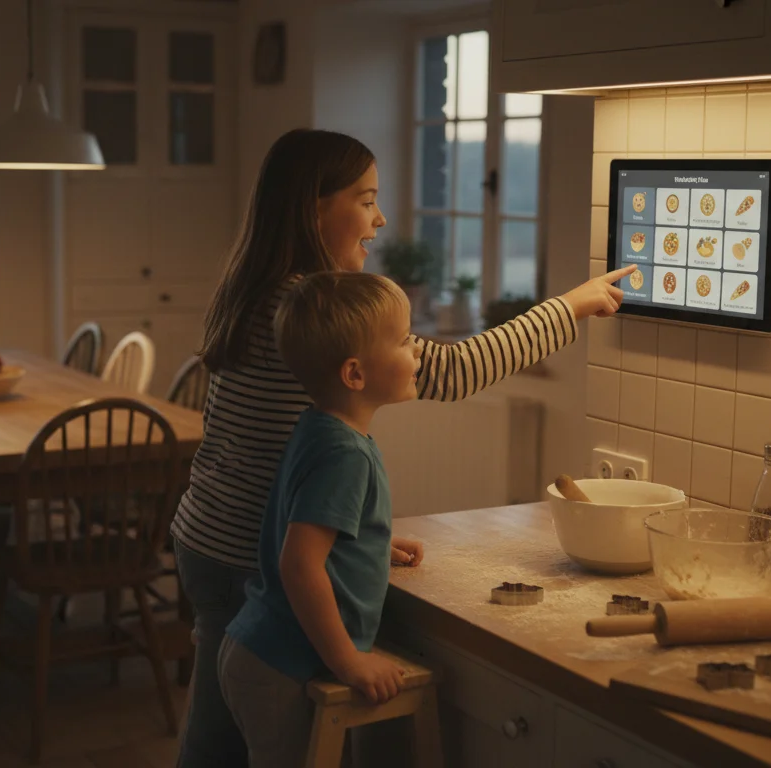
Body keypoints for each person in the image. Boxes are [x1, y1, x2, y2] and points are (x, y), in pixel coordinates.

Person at [171, 128, 635, 767]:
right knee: (241, 742)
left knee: (222, 732)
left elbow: (271, 451)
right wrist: (570, 308)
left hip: (210, 532)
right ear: (314, 210)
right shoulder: (310, 311)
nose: (381, 218)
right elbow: (453, 369)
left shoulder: (256, 291)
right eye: (366, 201)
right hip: (255, 555)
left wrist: (351, 536)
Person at [218, 271, 422, 768]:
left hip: (261, 649)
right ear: (355, 374)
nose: (416, 348)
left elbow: (314, 525)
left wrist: (370, 544)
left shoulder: (320, 427)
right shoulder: (345, 454)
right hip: (281, 665)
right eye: (403, 340)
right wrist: (348, 661)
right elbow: (300, 564)